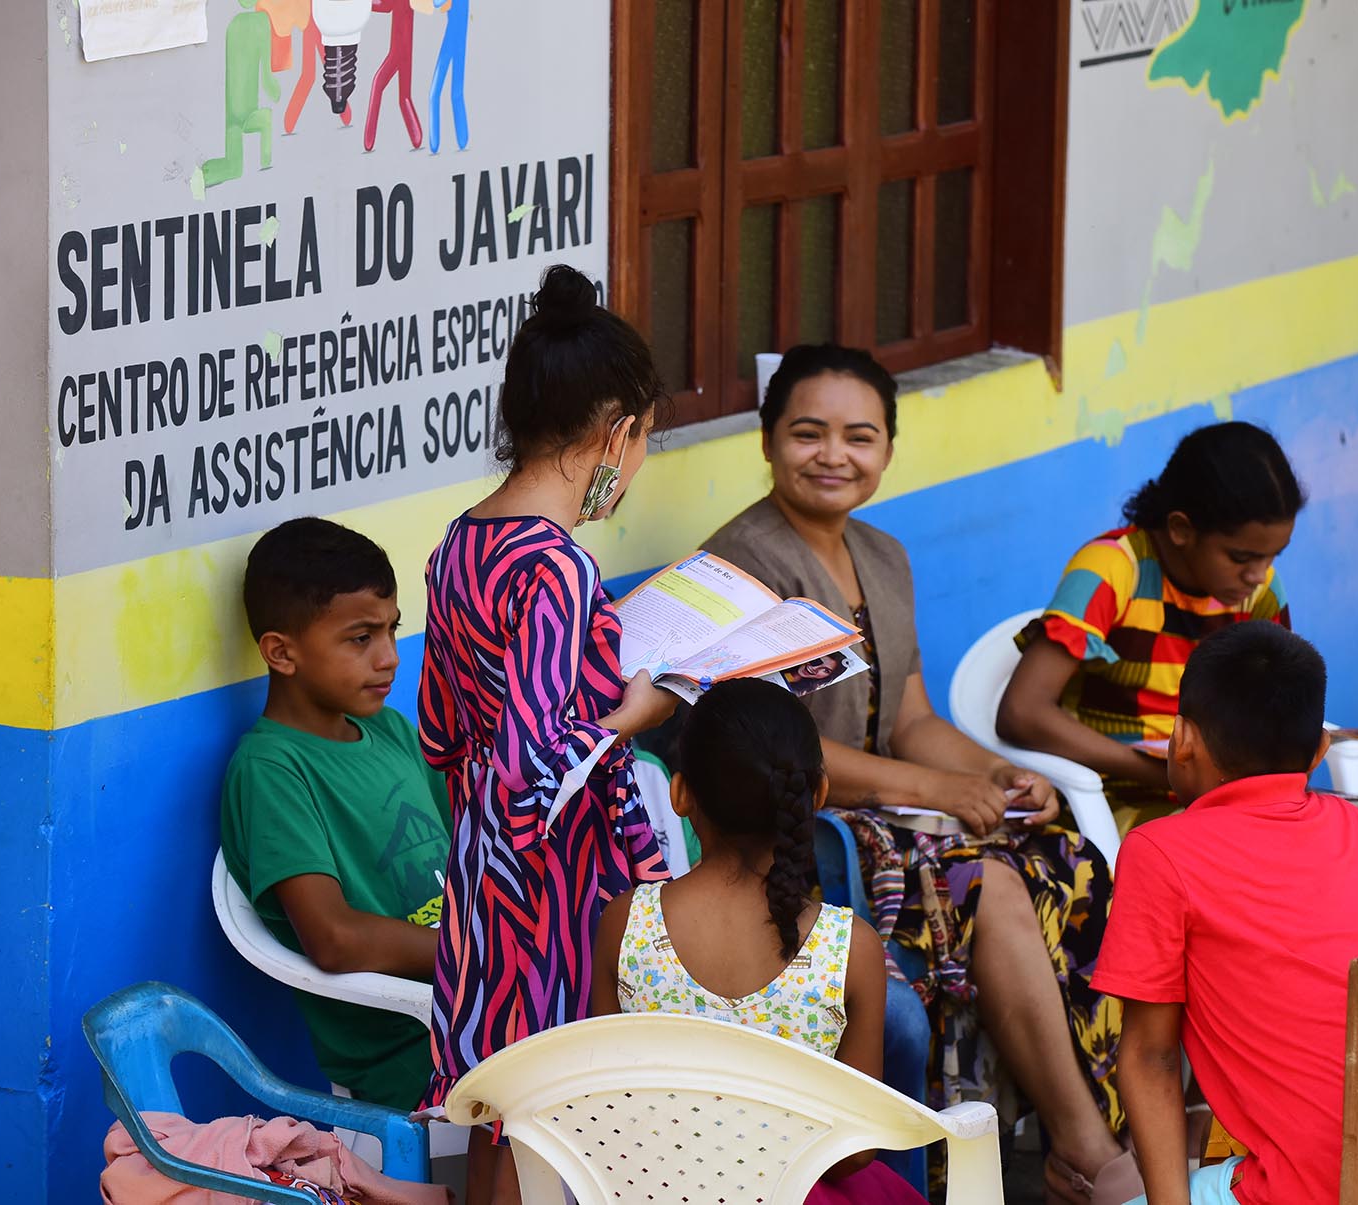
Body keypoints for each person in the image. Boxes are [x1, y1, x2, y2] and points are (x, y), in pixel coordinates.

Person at [703, 344, 1137, 1204]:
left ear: (888, 449)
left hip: (893, 804)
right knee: (989, 882)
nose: (834, 455)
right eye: (807, 433)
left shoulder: (884, 555)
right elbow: (779, 754)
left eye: (859, 436)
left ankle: (1084, 1123)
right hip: (806, 820)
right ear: (765, 440)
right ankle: (1085, 1147)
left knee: (1069, 856)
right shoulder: (740, 564)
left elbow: (911, 720)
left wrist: (1000, 774)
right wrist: (943, 793)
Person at [417, 265, 677, 1205]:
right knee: (549, 1110)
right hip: (549, 877)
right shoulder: (557, 567)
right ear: (616, 433)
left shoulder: (460, 541)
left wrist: (477, 840)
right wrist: (637, 716)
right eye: (646, 437)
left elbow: (444, 730)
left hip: (483, 855)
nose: (639, 459)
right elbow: (541, 763)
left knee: (497, 1101)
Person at [1096, 622, 1358, 1205]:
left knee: (1112, 1191)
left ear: (1180, 739)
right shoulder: (1357, 829)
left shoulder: (1158, 852)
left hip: (1322, 1188)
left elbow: (1149, 1055)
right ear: (1317, 754)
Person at [591, 679, 925, 1205]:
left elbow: (606, 1104)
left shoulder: (625, 923)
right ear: (816, 795)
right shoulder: (849, 949)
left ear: (680, 794)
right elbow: (857, 1151)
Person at [220, 517, 451, 1112]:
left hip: (475, 1002)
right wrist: (476, 951)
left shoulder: (390, 731)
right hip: (411, 1049)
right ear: (282, 652)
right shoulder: (271, 770)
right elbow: (333, 939)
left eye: (392, 631)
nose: (390, 659)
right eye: (360, 638)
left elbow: (473, 845)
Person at [998, 421, 1303, 833]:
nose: (1258, 575)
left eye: (1272, 557)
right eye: (1240, 557)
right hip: (1117, 793)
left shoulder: (1260, 588)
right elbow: (1021, 712)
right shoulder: (1111, 570)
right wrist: (1161, 774)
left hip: (1223, 794)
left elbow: (1273, 704)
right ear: (1181, 529)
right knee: (1234, 860)